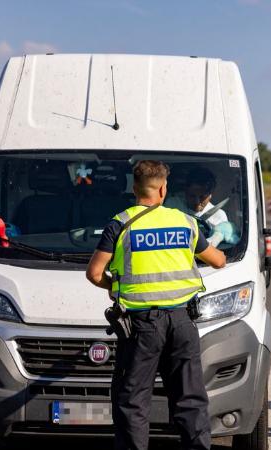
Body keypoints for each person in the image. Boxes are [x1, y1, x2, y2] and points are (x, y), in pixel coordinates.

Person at [85, 160, 226, 450]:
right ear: (163, 188)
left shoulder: (120, 223)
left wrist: (118, 286)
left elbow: (95, 273)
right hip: (182, 323)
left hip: (142, 327)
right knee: (190, 399)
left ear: (134, 189)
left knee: (133, 401)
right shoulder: (184, 222)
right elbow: (219, 260)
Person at [165, 167, 232, 247]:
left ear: (210, 195)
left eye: (202, 197)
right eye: (192, 196)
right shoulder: (172, 205)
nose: (196, 201)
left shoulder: (218, 215)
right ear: (185, 191)